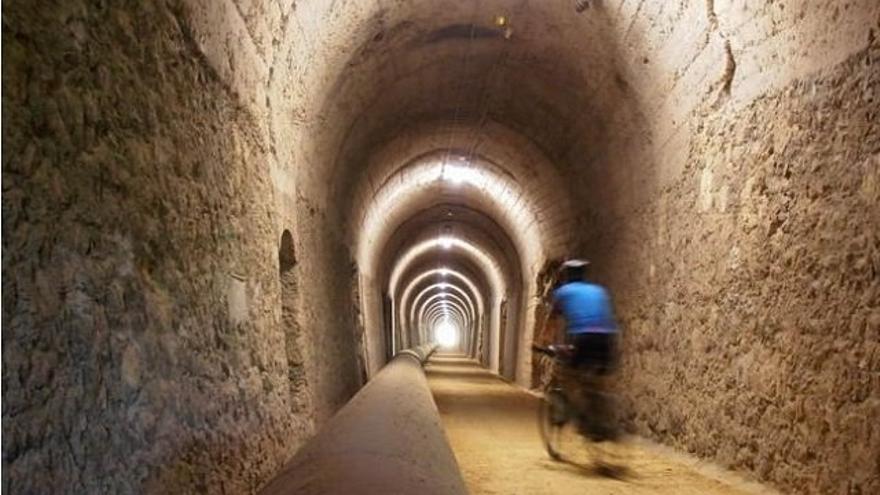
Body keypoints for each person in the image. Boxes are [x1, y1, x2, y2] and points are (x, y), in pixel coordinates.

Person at [549, 258, 619, 441]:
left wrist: (553, 344)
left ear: (567, 276)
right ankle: (601, 417)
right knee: (595, 378)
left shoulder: (562, 292)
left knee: (569, 374)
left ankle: (581, 418)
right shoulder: (599, 291)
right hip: (606, 338)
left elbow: (553, 321)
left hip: (583, 338)